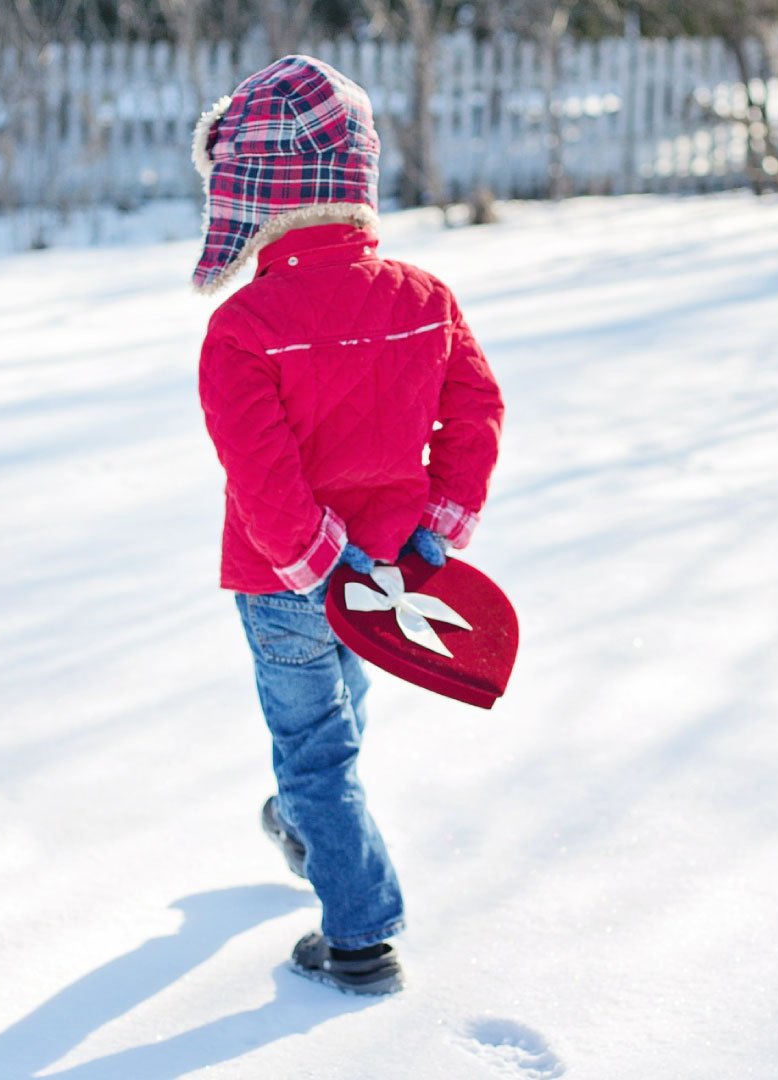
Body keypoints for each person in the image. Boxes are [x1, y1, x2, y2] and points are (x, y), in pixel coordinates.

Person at [192, 55, 504, 995]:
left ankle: (360, 933)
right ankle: (307, 821)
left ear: (254, 195)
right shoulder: (422, 298)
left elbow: (261, 470)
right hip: (384, 571)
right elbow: (477, 410)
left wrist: (309, 556)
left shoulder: (244, 325)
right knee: (337, 715)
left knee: (315, 743)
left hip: (287, 576)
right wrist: (436, 519)